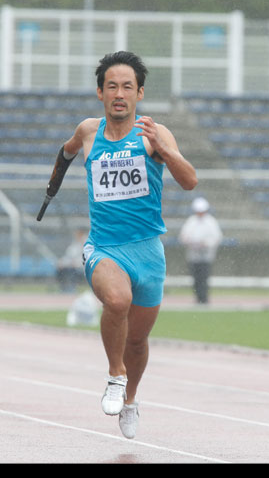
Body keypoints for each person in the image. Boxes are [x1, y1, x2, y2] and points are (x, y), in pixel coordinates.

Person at [39, 51, 197, 439]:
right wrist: (52, 187)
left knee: (139, 340)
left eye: (128, 87)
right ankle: (114, 373)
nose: (120, 93)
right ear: (100, 93)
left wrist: (165, 148)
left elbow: (190, 180)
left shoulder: (153, 134)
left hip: (148, 251)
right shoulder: (89, 131)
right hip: (104, 248)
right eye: (112, 86)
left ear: (139, 93)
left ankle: (130, 397)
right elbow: (66, 151)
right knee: (117, 302)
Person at [179, 197, 223, 304]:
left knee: (204, 277)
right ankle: (198, 297)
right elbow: (183, 236)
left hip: (206, 255)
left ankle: (204, 298)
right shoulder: (191, 221)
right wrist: (191, 242)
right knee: (195, 278)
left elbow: (217, 237)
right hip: (193, 255)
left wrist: (206, 243)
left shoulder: (211, 222)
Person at [56, 228, 88, 293]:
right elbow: (69, 256)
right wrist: (62, 262)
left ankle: (72, 287)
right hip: (71, 264)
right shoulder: (74, 245)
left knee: (72, 270)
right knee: (61, 269)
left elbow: (83, 258)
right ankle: (63, 287)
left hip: (80, 266)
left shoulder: (86, 245)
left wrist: (76, 263)